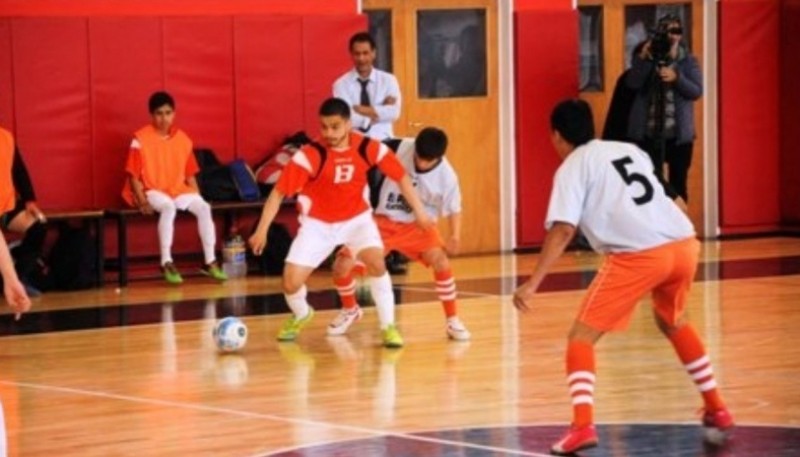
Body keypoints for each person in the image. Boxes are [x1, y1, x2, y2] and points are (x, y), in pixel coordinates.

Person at [512, 99, 733, 455]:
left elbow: (564, 230)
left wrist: (532, 282)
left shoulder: (572, 167)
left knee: (580, 337)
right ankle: (718, 408)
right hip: (684, 243)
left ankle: (582, 427)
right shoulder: (627, 150)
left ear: (556, 135)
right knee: (672, 321)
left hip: (640, 256)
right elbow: (670, 197)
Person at [248, 97, 431, 348]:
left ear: (348, 124)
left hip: (357, 220)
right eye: (323, 127)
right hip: (318, 225)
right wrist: (262, 230)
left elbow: (400, 176)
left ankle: (388, 326)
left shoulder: (368, 147)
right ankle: (302, 313)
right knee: (290, 282)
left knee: (377, 262)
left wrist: (420, 212)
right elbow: (278, 193)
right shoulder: (309, 155)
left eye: (335, 126)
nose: (329, 133)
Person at [328, 127, 471, 341]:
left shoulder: (448, 177)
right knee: (341, 266)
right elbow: (367, 147)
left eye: (427, 161)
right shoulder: (398, 146)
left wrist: (455, 236)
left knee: (441, 261)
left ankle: (452, 320)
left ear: (438, 158)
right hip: (382, 222)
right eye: (418, 158)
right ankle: (350, 309)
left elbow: (454, 209)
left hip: (417, 226)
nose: (420, 164)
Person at [122, 91, 227, 285]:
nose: (164, 118)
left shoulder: (183, 139)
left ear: (174, 114)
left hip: (177, 189)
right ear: (151, 115)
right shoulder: (140, 139)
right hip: (151, 190)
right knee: (168, 207)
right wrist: (142, 200)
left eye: (168, 113)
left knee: (204, 208)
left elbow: (190, 174)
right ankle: (166, 261)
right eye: (159, 113)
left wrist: (198, 198)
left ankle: (210, 261)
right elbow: (133, 175)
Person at [626, 14, 702, 202]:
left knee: (678, 185)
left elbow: (696, 91)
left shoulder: (688, 61)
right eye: (668, 31)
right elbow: (632, 84)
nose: (672, 36)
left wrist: (677, 78)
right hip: (649, 134)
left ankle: (680, 229)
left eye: (676, 31)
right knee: (651, 183)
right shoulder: (647, 56)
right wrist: (643, 60)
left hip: (678, 137)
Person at [0, 126, 47, 296]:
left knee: (38, 225)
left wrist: (29, 200)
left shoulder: (6, 138)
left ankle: (19, 279)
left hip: (5, 207)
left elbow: (20, 170)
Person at [332, 32, 401, 141]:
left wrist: (360, 109)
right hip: (353, 142)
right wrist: (378, 112)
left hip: (384, 140)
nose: (361, 58)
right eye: (357, 54)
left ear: (374, 53)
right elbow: (346, 118)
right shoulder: (340, 84)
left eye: (365, 53)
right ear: (351, 54)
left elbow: (394, 113)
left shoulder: (388, 80)